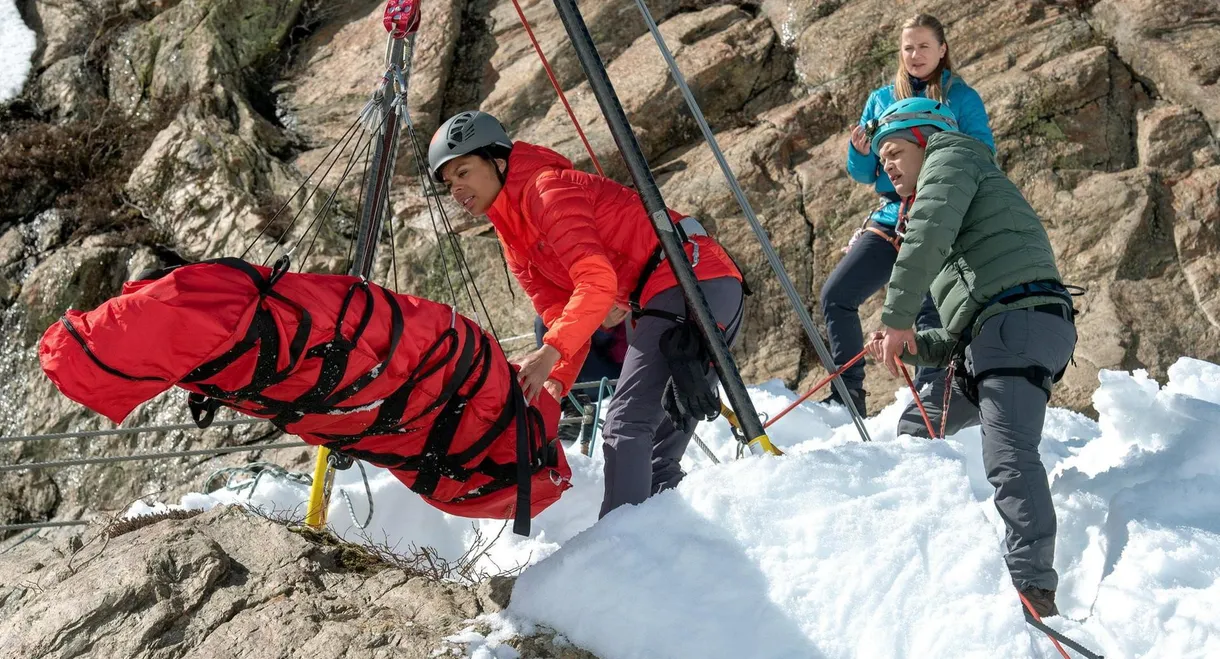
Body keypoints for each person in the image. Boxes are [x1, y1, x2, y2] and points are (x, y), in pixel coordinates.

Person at [428, 110, 746, 518]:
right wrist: (558, 379)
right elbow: (558, 311)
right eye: (450, 183)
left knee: (627, 425)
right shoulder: (511, 233)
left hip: (690, 278)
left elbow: (596, 284)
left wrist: (549, 354)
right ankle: (670, 555)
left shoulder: (548, 190)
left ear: (499, 160)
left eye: (464, 172)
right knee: (652, 454)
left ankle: (619, 552)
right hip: (674, 292)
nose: (457, 189)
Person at [863, 96, 1077, 617]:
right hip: (994, 333)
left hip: (1019, 319)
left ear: (922, 138)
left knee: (1007, 452)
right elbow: (956, 336)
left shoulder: (952, 156)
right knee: (920, 426)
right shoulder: (940, 188)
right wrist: (915, 346)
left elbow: (928, 237)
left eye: (892, 151)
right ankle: (933, 551)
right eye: (879, 157)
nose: (886, 164)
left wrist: (896, 320)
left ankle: (1034, 591)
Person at [822, 12, 995, 430]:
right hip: (891, 212)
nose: (915, 55)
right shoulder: (880, 98)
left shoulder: (963, 98)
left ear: (942, 50)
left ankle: (934, 392)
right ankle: (846, 395)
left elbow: (982, 152)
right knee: (837, 294)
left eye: (923, 46)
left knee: (930, 304)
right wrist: (860, 152)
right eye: (908, 48)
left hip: (940, 206)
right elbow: (868, 174)